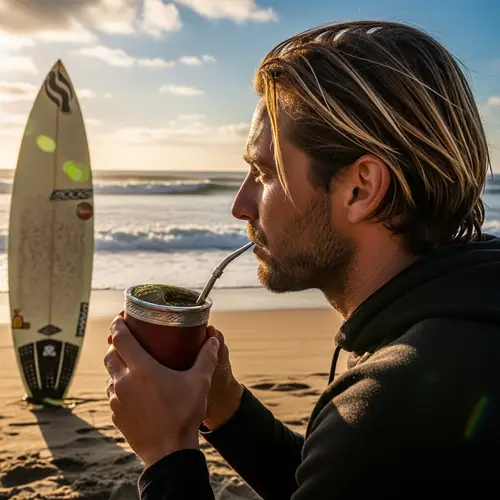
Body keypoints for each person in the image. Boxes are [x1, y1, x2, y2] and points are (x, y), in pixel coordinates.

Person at [104, 20, 500, 499]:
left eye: (264, 172)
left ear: (361, 189)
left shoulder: (393, 401)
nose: (241, 205)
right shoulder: (471, 309)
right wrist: (225, 405)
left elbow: (364, 453)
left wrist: (168, 451)